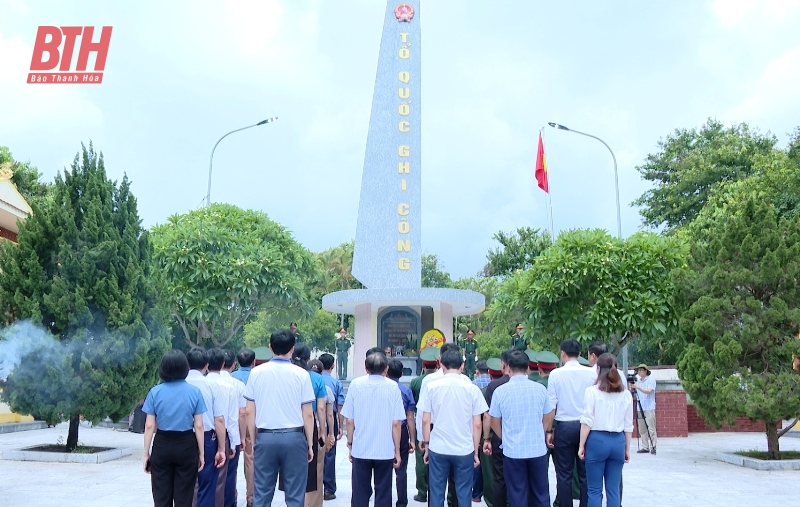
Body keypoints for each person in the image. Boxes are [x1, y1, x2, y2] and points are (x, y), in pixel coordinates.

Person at [244, 329, 315, 507]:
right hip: (294, 437)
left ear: (270, 347)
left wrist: (254, 439)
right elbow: (307, 413)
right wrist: (310, 444)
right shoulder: (302, 375)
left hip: (265, 436)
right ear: (292, 349)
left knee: (262, 493)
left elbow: (249, 411)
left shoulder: (256, 373)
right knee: (295, 495)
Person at [420, 349, 488, 507]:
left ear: (441, 365)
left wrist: (427, 446)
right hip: (464, 449)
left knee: (436, 492)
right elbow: (477, 423)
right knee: (464, 492)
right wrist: (475, 451)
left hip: (438, 447)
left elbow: (425, 420)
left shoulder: (432, 387)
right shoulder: (472, 388)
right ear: (463, 366)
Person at [489, 350, 555, 507]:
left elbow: (494, 421)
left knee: (517, 493)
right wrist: (542, 430)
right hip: (537, 449)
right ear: (527, 369)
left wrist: (504, 437)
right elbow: (548, 415)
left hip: (513, 450)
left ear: (508, 368)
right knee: (540, 493)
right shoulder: (540, 389)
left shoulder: (500, 392)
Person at [142, 350, 207, 507]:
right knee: (184, 497)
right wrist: (201, 453)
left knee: (161, 496)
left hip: (162, 444)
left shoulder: (155, 392)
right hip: (186, 445)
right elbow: (199, 425)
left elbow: (150, 425)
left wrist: (146, 453)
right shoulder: (195, 392)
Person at [341, 352, 406, 507]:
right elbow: (396, 423)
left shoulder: (356, 384)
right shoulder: (393, 387)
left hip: (361, 449)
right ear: (386, 368)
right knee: (383, 492)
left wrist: (350, 444)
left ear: (366, 368)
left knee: (359, 492)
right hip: (384, 449)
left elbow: (350, 420)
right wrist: (397, 450)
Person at [546, 339, 597, 507]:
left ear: (562, 353)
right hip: (586, 427)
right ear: (580, 354)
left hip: (564, 427)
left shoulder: (555, 374)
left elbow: (551, 406)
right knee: (585, 474)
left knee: (564, 475)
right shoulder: (591, 373)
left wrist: (549, 430)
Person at [578, 353, 633, 507]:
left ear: (599, 369)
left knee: (594, 490)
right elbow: (628, 426)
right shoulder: (626, 394)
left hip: (597, 440)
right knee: (613, 490)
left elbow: (587, 421)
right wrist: (627, 448)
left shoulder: (592, 391)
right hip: (617, 441)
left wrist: (582, 445)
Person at [285, 343, 331, 507]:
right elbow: (321, 407)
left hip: (289, 424)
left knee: (291, 469)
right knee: (314, 468)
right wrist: (322, 433)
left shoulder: (286, 375)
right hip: (310, 425)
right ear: (308, 358)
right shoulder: (316, 378)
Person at [184, 349, 227, 507]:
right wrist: (221, 448)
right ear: (207, 365)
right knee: (207, 485)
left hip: (183, 438)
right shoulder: (212, 385)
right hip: (208, 439)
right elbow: (219, 420)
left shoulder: (180, 384)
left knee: (183, 485)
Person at [482, 349, 512, 507]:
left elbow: (487, 416)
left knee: (499, 477)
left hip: (499, 437)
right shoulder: (531, 385)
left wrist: (487, 438)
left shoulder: (494, 385)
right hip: (520, 438)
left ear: (504, 364)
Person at [206, 348, 235, 507]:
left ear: (206, 364)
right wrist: (229, 444)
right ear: (223, 364)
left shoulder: (199, 385)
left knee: (197, 480)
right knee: (218, 480)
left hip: (198, 435)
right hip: (220, 436)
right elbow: (226, 420)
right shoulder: (227, 386)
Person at [410, 346, 439, 503]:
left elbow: (414, 404)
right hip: (439, 423)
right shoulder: (441, 378)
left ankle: (422, 492)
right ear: (437, 364)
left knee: (421, 459)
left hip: (422, 422)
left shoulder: (416, 382)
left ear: (423, 365)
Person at [388, 359, 417, 507]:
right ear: (401, 374)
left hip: (385, 432)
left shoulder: (384, 389)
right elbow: (410, 417)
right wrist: (412, 439)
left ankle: (384, 500)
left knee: (384, 468)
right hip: (402, 432)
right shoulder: (406, 391)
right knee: (401, 469)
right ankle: (402, 502)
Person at [221, 350, 246, 507]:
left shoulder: (206, 383)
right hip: (232, 436)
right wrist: (242, 437)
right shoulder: (238, 385)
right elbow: (242, 413)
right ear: (233, 365)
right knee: (230, 474)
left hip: (208, 435)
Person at [318, 353, 345, 501]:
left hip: (314, 421)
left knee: (315, 451)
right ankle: (328, 489)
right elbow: (339, 407)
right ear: (333, 366)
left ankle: (314, 486)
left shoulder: (313, 379)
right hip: (329, 422)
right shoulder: (336, 383)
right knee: (329, 453)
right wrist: (340, 426)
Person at [231, 348, 255, 507]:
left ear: (237, 363)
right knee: (251, 459)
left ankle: (231, 495)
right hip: (253, 421)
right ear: (253, 362)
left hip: (234, 421)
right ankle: (251, 498)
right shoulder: (257, 376)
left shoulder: (231, 378)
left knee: (231, 461)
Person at [471, 359, 490, 503]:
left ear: (477, 371)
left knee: (477, 460)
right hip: (493, 427)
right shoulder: (495, 384)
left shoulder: (473, 385)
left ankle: (476, 494)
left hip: (477, 426)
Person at [631, 363, 657, 455]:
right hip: (640, 407)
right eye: (638, 370)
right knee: (642, 429)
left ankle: (653, 446)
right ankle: (645, 447)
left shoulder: (651, 380)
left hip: (649, 407)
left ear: (646, 371)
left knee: (651, 428)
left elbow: (649, 391)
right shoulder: (637, 381)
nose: (639, 372)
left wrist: (638, 387)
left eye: (641, 370)